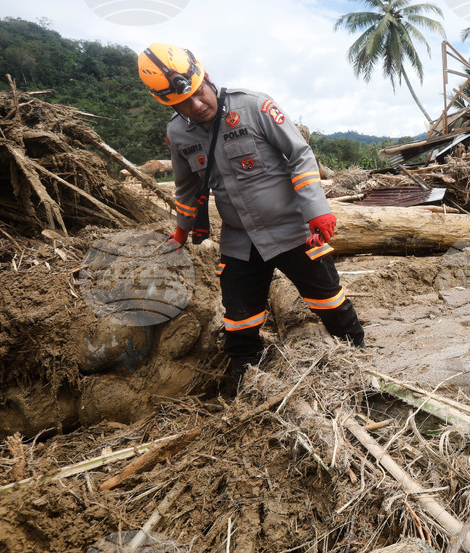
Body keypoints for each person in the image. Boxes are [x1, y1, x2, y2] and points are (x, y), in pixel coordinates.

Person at [137, 43, 364, 393]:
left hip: (292, 229)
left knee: (328, 300)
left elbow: (300, 155)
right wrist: (180, 234)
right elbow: (185, 189)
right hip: (240, 240)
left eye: (198, 94)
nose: (196, 106)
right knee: (239, 318)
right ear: (167, 103)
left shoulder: (254, 106)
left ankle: (358, 357)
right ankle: (247, 384)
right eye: (183, 103)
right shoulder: (178, 134)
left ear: (206, 77)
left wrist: (317, 210)